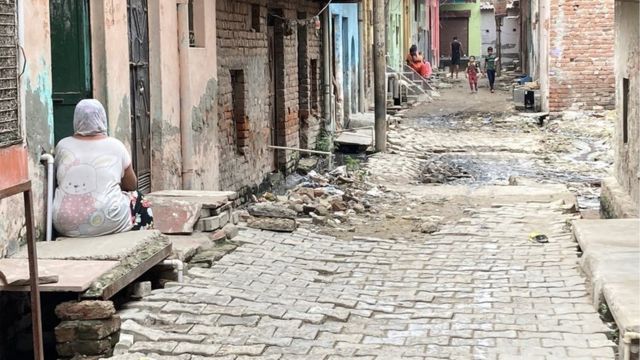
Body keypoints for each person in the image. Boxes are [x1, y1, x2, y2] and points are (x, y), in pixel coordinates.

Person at [52, 99, 153, 237]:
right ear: (103, 119)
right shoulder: (116, 146)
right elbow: (132, 185)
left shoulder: (62, 146)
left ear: (76, 120)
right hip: (107, 220)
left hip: (64, 223)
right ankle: (141, 240)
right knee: (139, 200)